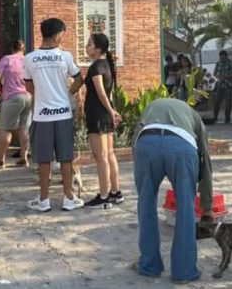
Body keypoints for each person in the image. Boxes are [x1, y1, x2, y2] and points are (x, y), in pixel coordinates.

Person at [132, 98, 213, 283]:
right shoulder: (193, 115)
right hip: (182, 146)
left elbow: (135, 144)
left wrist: (142, 172)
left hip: (147, 143)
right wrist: (207, 206)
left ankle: (149, 265)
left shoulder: (150, 107)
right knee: (186, 207)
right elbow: (205, 159)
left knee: (146, 205)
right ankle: (184, 272)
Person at [24, 18, 84, 212]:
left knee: (43, 159)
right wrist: (68, 93)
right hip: (63, 114)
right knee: (65, 157)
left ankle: (44, 200)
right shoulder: (65, 56)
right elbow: (79, 79)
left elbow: (28, 86)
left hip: (42, 115)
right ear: (58, 35)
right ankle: (68, 198)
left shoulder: (30, 58)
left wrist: (42, 94)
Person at [82, 33, 124, 209]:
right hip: (105, 114)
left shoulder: (96, 67)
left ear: (98, 48)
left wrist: (111, 111)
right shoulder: (107, 64)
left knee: (101, 157)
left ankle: (104, 196)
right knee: (109, 155)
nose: (87, 47)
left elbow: (100, 93)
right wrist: (112, 111)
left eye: (90, 44)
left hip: (98, 115)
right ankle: (116, 192)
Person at [0, 40, 31, 168]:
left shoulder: (7, 59)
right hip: (28, 96)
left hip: (11, 96)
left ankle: (1, 160)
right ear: (23, 49)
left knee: (6, 129)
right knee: (23, 129)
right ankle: (24, 158)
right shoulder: (28, 60)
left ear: (12, 48)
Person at [212, 50, 232, 124]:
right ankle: (215, 117)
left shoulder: (231, 63)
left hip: (228, 84)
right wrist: (218, 77)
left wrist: (226, 76)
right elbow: (215, 73)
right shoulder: (218, 63)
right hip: (220, 84)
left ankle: (227, 118)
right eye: (220, 57)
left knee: (228, 102)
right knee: (217, 102)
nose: (221, 58)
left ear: (226, 56)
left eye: (223, 57)